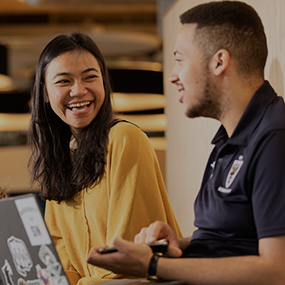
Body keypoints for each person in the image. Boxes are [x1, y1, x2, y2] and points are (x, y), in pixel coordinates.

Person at [86, 1, 285, 284]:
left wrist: (153, 264)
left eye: (180, 59)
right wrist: (179, 245)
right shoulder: (228, 140)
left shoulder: (274, 137)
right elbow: (231, 240)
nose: (173, 75)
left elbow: (277, 270)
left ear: (219, 62)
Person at [27, 32, 182, 285]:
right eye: (63, 81)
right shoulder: (61, 161)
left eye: (90, 77)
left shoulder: (124, 139)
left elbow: (126, 261)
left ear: (104, 84)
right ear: (45, 93)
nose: (78, 90)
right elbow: (61, 265)